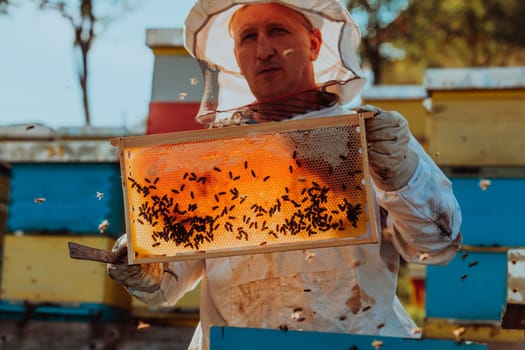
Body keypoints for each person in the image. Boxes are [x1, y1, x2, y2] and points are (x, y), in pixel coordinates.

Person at [108, 1, 462, 349]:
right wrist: (145, 265)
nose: (263, 50)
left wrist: (401, 175)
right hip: (233, 342)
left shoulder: (369, 135)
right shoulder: (212, 156)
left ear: (314, 44)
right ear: (236, 57)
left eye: (277, 31)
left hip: (354, 340)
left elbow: (437, 246)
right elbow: (170, 279)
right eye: (248, 37)